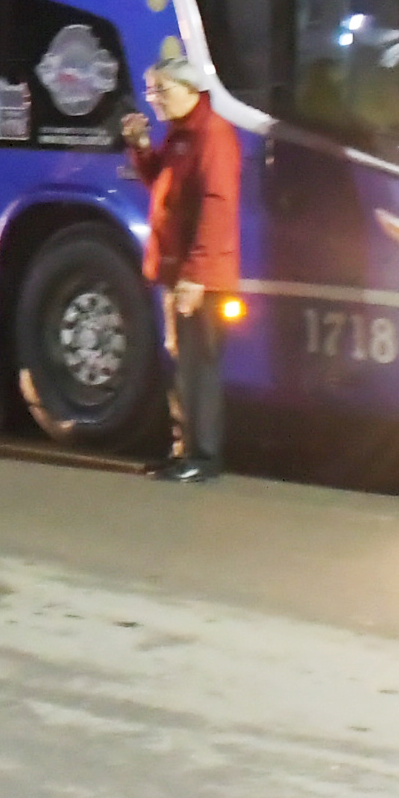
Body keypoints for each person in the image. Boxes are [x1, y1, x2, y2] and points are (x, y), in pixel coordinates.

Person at [120, 47, 242, 481]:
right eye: (150, 90)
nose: (153, 99)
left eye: (161, 90)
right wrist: (140, 148)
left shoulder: (212, 134)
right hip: (179, 271)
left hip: (200, 276)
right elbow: (163, 184)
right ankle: (184, 449)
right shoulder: (181, 133)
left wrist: (195, 276)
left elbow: (217, 207)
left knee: (199, 366)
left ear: (190, 88)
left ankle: (203, 458)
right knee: (182, 361)